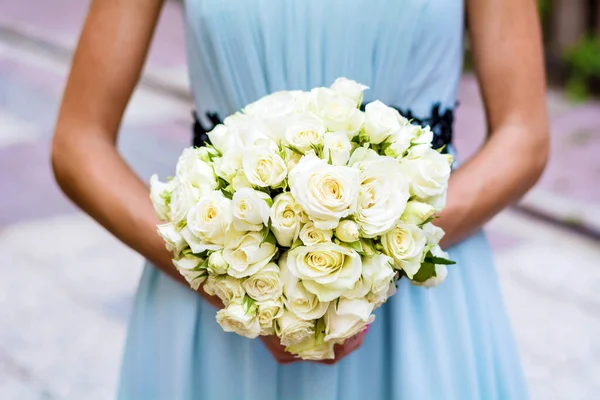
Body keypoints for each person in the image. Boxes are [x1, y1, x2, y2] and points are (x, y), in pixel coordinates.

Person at [52, 0, 549, 398]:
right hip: (226, 302)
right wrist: (239, 286)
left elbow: (523, 135)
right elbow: (79, 143)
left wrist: (381, 252)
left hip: (421, 304)